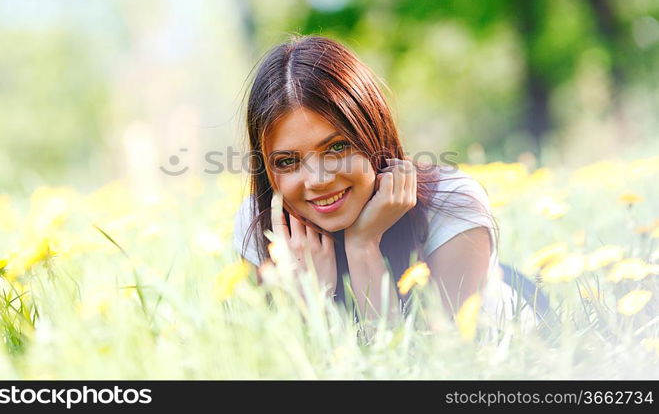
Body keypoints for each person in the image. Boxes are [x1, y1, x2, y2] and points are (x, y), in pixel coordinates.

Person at [233, 35, 544, 329]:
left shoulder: (452, 204)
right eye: (288, 161)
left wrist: (363, 247)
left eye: (337, 147)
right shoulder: (262, 227)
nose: (318, 180)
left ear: (373, 136)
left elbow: (441, 364)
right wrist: (314, 300)